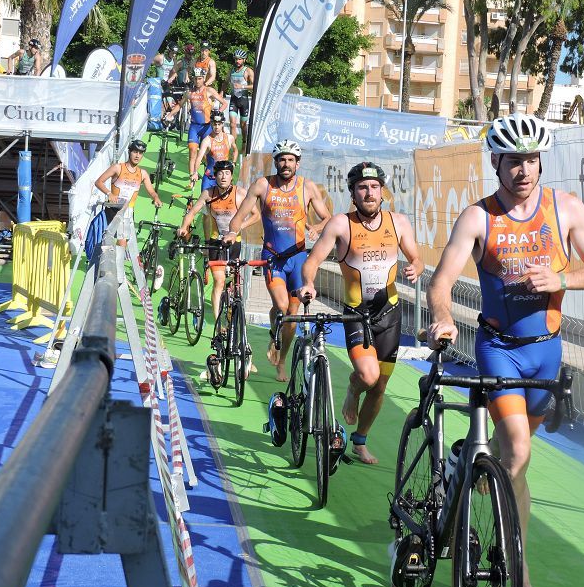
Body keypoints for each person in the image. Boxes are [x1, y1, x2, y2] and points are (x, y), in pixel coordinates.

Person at [425, 113, 584, 587]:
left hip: (546, 353)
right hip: (499, 350)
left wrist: (563, 279)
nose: (523, 170)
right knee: (519, 451)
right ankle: (504, 555)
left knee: (517, 464)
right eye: (513, 161)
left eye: (531, 160)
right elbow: (440, 280)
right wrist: (443, 316)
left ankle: (506, 535)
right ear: (496, 163)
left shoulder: (565, 208)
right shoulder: (478, 216)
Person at [298, 162, 423, 464]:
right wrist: (308, 284)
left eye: (374, 187)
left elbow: (417, 257)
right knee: (368, 376)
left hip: (390, 314)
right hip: (357, 315)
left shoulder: (399, 222)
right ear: (353, 193)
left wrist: (415, 267)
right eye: (362, 188)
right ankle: (353, 387)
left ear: (383, 192)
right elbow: (312, 262)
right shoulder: (341, 224)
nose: (369, 192)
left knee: (380, 386)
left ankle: (360, 441)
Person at [223, 139, 331, 381]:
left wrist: (317, 226)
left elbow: (327, 218)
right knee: (282, 307)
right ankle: (275, 333)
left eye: (290, 160)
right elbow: (238, 217)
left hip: (299, 258)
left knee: (293, 313)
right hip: (273, 258)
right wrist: (232, 232)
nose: (286, 164)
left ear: (297, 164)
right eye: (282, 159)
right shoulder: (262, 185)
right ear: (276, 162)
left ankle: (281, 359)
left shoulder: (308, 187)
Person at [177, 159, 259, 320]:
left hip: (235, 242)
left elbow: (256, 215)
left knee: (232, 281)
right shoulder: (208, 193)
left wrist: (239, 227)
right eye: (220, 173)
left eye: (227, 173)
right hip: (216, 242)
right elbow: (193, 212)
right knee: (219, 281)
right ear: (215, 176)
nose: (223, 176)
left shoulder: (240, 193)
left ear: (231, 176)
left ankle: (232, 308)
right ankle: (217, 322)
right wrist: (184, 227)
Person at [93, 139, 162, 247]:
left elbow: (152, 191)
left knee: (122, 244)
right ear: (129, 152)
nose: (137, 155)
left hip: (128, 211)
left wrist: (156, 198)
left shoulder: (142, 173)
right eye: (135, 152)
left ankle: (116, 263)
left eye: (140, 153)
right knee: (110, 243)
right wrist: (109, 194)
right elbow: (99, 182)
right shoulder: (117, 167)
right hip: (113, 209)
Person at [165, 68, 228, 185]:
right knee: (192, 151)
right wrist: (170, 114)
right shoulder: (190, 93)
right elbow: (180, 105)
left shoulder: (209, 91)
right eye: (195, 78)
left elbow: (224, 103)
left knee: (209, 154)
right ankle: (192, 178)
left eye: (199, 78)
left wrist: (217, 113)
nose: (197, 81)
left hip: (207, 127)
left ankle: (211, 175)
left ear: (203, 79)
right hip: (194, 126)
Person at [193, 112, 238, 192]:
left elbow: (235, 150)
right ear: (211, 124)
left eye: (219, 124)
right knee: (206, 202)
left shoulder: (229, 138)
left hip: (223, 179)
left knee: (223, 202)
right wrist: (195, 172)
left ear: (223, 124)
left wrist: (233, 162)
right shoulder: (206, 141)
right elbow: (199, 158)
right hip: (210, 178)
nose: (216, 127)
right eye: (214, 124)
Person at [224, 48, 253, 144]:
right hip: (234, 100)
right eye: (236, 59)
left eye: (240, 59)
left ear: (244, 60)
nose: (237, 61)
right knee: (232, 124)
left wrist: (242, 86)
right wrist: (220, 94)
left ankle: (244, 142)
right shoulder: (231, 70)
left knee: (243, 124)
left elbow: (255, 86)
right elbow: (225, 82)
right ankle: (234, 145)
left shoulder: (248, 71)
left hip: (243, 100)